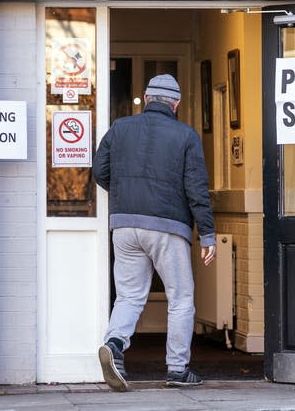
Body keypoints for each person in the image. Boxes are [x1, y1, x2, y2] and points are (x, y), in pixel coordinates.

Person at [92, 74, 216, 392]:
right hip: (167, 227)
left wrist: (124, 194)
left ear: (146, 99)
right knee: (181, 298)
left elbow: (99, 171)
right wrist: (208, 234)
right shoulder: (186, 136)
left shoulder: (119, 128)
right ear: (175, 104)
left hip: (124, 225)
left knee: (129, 295)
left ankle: (115, 344)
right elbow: (197, 190)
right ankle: (176, 368)